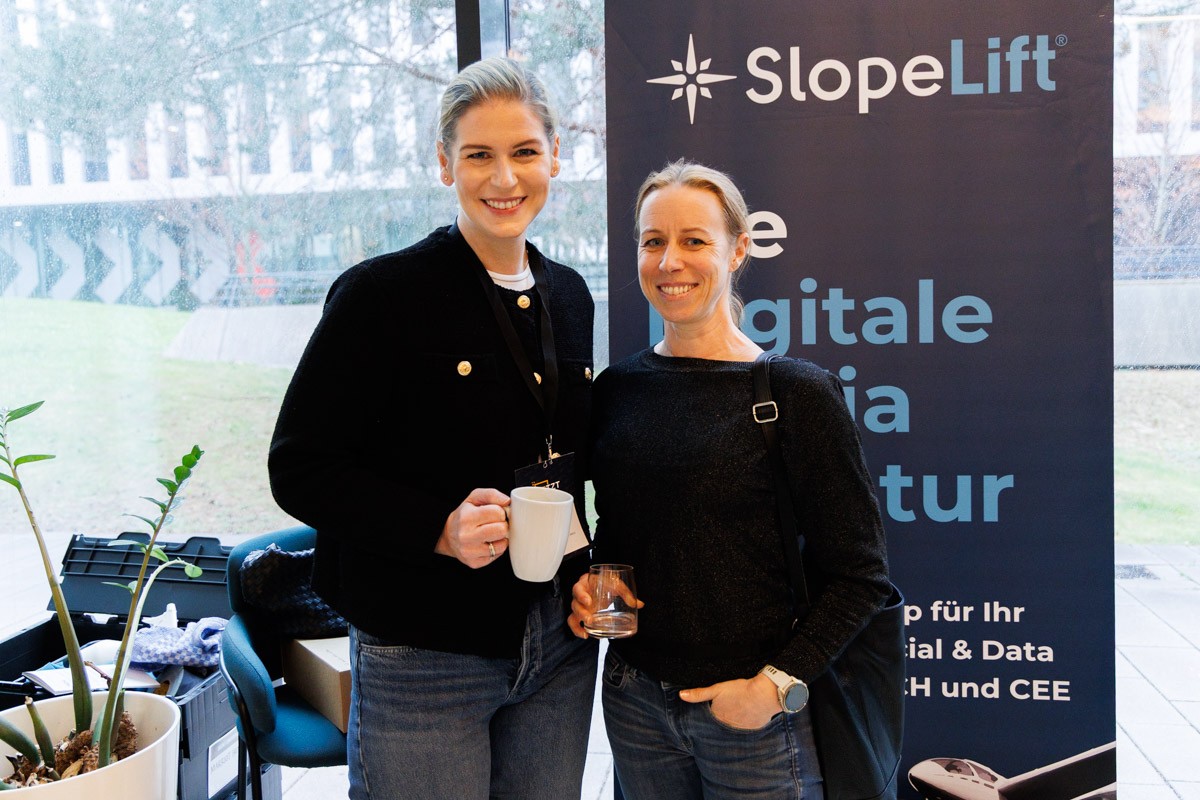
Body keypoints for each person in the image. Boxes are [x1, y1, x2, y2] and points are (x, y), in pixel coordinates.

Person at [269, 57, 598, 800]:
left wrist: (584, 573)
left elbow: (564, 465)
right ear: (445, 164)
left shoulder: (570, 295)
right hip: (422, 654)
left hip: (557, 649)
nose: (504, 178)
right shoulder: (380, 295)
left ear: (554, 157)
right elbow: (300, 467)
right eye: (479, 155)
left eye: (524, 152)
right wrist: (438, 529)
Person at [568, 160, 892, 800]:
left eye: (694, 240)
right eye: (653, 241)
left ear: (738, 249)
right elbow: (615, 530)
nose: (670, 262)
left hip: (755, 722)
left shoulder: (796, 394)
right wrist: (589, 583)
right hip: (634, 703)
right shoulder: (617, 390)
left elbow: (861, 575)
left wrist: (775, 687)